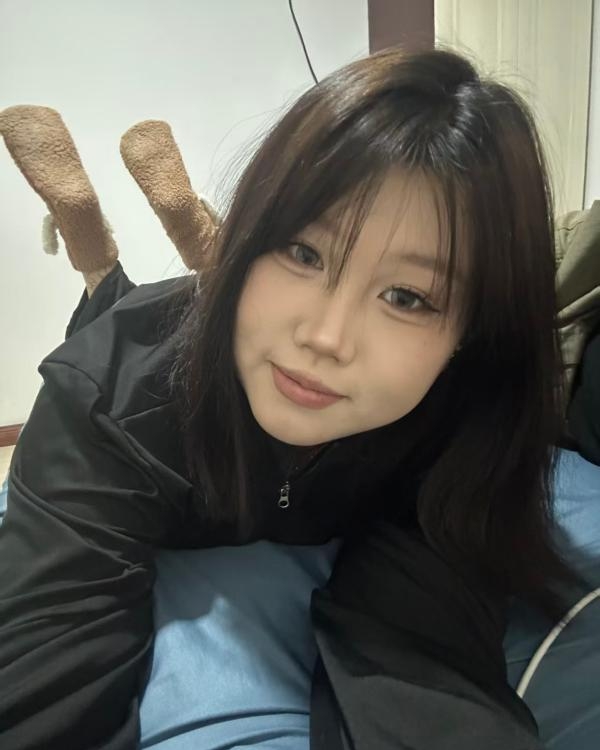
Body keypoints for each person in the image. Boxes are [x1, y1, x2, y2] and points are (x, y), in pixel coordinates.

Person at [0, 47, 577, 749]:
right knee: (104, 304)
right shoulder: (107, 400)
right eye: (304, 253)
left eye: (407, 297)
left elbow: (428, 682)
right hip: (148, 339)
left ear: (473, 333)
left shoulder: (460, 423)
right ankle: (94, 256)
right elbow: (46, 696)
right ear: (245, 239)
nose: (326, 337)